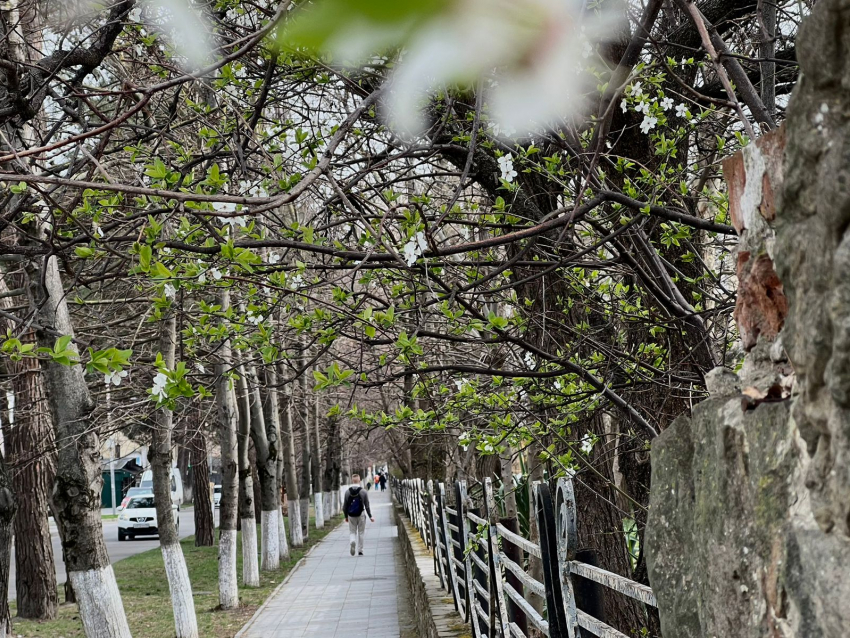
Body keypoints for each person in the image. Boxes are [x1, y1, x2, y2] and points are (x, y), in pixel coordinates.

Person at [343, 475, 374, 556]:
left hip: (351, 515)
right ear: (359, 480)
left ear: (352, 480)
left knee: (352, 531)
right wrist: (370, 516)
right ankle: (360, 550)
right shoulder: (363, 491)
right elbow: (367, 505)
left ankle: (352, 540)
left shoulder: (347, 492)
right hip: (361, 514)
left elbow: (345, 506)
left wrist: (346, 516)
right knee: (361, 532)